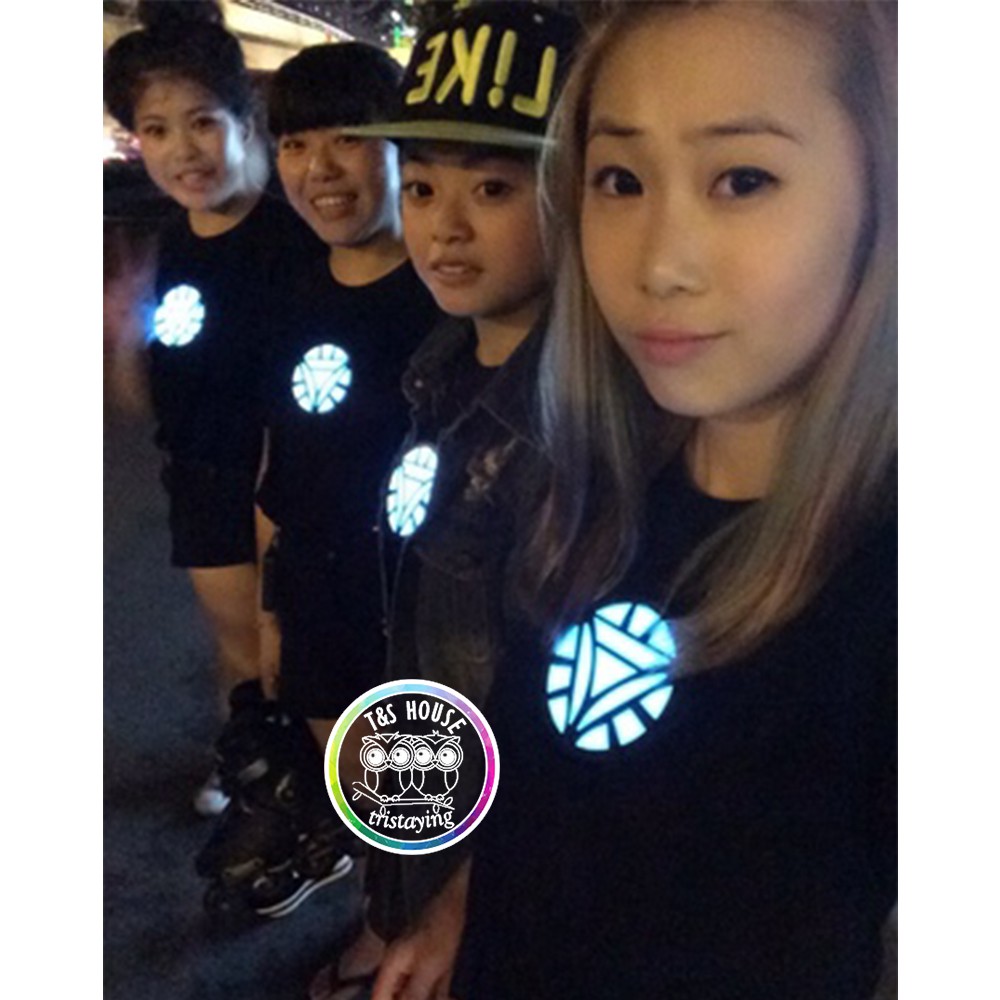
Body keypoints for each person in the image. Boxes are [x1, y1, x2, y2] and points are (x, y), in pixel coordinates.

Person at [382, 1, 898, 998]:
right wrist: (461, 900)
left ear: (885, 200)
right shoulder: (576, 479)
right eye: (620, 179)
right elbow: (548, 781)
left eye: (741, 179)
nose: (657, 263)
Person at [304, 5, 579, 998]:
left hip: (498, 853)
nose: (443, 226)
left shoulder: (566, 428)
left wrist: (462, 895)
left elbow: (550, 719)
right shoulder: (442, 358)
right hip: (428, 764)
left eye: (493, 188)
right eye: (420, 185)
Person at [197, 43, 442, 920]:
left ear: (401, 151)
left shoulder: (444, 294)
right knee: (359, 782)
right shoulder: (291, 291)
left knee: (422, 790)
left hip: (413, 600)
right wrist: (274, 613)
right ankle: (382, 908)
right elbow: (282, 458)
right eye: (295, 144)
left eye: (348, 139)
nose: (319, 169)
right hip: (315, 589)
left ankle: (411, 931)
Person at [103, 2, 323, 816]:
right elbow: (152, 403)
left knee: (299, 650)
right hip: (201, 485)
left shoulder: (297, 238)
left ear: (244, 119)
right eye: (155, 130)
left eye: (201, 122)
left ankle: (318, 794)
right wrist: (124, 337)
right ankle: (248, 761)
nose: (181, 151)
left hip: (291, 486)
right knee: (239, 651)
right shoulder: (174, 243)